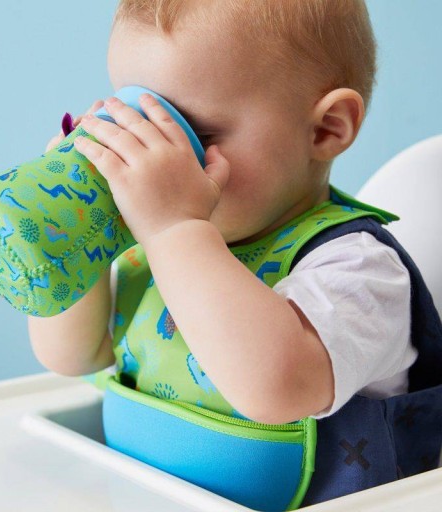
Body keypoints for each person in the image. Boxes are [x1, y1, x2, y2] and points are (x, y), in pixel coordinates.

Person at [28, 1, 442, 509]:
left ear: (325, 128)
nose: (158, 159)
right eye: (138, 123)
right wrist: (72, 241)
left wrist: (175, 229)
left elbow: (276, 388)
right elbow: (73, 357)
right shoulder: (159, 244)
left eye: (195, 136)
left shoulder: (357, 269)